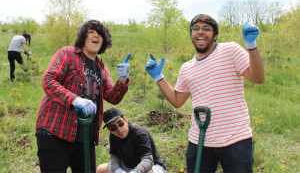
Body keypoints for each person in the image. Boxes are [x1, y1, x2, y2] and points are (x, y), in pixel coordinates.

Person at [145, 14, 265, 173]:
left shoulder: (231, 50)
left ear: (215, 35)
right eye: (196, 28)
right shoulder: (186, 68)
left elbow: (257, 78)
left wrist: (251, 45)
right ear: (191, 34)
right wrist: (158, 77)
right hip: (199, 141)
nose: (200, 32)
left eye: (206, 29)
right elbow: (176, 100)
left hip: (236, 139)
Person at [35, 19, 131, 173]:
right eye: (91, 32)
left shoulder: (101, 67)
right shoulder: (67, 53)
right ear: (82, 37)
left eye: (100, 34)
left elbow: (113, 97)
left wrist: (123, 79)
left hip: (85, 137)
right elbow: (48, 80)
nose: (96, 36)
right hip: (55, 132)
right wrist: (74, 99)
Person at [96, 107, 166, 173]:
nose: (119, 129)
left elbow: (147, 160)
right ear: (110, 130)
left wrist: (136, 171)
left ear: (125, 120)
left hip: (152, 166)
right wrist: (118, 170)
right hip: (127, 165)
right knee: (100, 169)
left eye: (120, 123)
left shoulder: (140, 134)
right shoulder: (113, 135)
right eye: (113, 128)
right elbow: (114, 155)